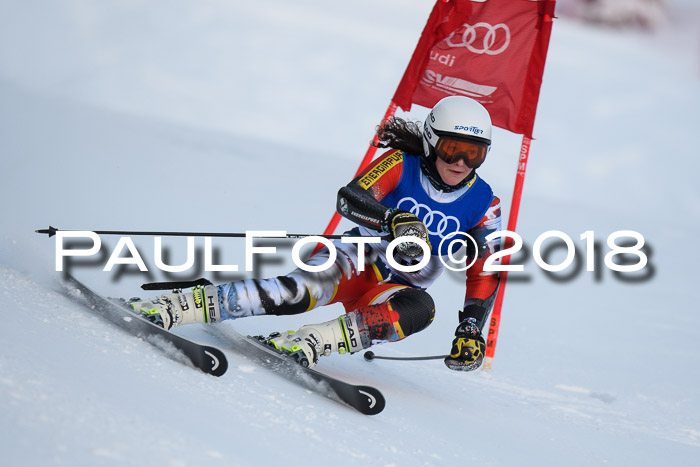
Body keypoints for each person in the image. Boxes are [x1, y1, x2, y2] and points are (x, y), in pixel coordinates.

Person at [130, 95, 502, 371]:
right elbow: (350, 199)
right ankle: (182, 305)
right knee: (296, 293)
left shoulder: (485, 202)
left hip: (396, 286)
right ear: (432, 142)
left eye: (474, 154)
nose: (461, 163)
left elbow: (485, 268)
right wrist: (392, 219)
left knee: (420, 310)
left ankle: (313, 340)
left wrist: (471, 327)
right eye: (453, 149)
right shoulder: (399, 164)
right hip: (356, 259)